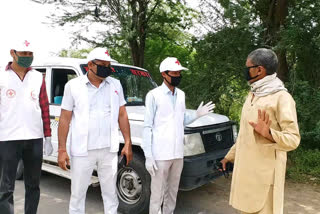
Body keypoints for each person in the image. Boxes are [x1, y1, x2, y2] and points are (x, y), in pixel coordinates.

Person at [220, 48, 300, 214]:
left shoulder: (281, 98)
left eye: (248, 67)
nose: (245, 71)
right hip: (245, 174)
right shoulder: (252, 94)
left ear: (259, 69)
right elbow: (244, 134)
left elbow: (293, 139)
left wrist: (269, 134)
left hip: (265, 178)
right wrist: (229, 156)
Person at [57, 47, 133, 214]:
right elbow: (64, 118)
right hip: (83, 151)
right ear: (90, 65)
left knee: (110, 193)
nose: (107, 67)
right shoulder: (73, 86)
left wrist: (127, 142)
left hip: (108, 149)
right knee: (78, 194)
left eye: (108, 64)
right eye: (103, 64)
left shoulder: (115, 84)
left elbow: (122, 114)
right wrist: (62, 149)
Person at [142, 57, 215, 214]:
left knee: (173, 191)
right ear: (164, 74)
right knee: (157, 193)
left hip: (177, 153)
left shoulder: (181, 94)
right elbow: (147, 126)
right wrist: (148, 155)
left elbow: (181, 120)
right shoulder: (154, 95)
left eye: (179, 73)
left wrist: (197, 114)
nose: (177, 75)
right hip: (160, 153)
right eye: (174, 73)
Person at [0, 40, 53, 214]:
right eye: (24, 54)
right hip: (7, 138)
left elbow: (44, 107)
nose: (28, 57)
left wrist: (48, 137)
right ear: (12, 53)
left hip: (34, 138)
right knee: (5, 187)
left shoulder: (38, 77)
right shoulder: (1, 76)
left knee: (33, 185)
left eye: (30, 54)